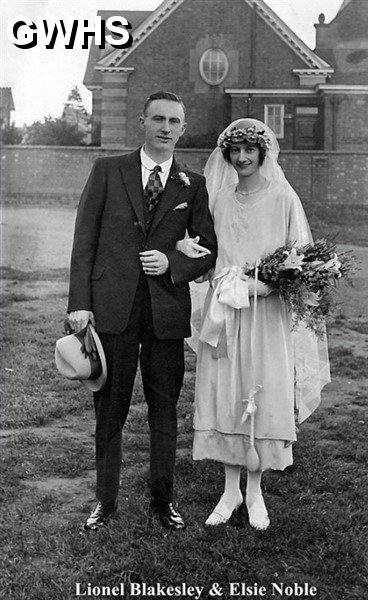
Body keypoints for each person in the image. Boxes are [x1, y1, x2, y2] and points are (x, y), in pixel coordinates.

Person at [67, 91, 217, 531]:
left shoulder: (193, 184)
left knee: (164, 407)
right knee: (109, 408)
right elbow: (84, 242)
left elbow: (208, 249)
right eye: (158, 119)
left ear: (183, 129)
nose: (166, 128)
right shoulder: (108, 170)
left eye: (174, 121)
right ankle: (105, 501)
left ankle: (163, 500)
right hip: (112, 310)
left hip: (165, 313)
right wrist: (79, 303)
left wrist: (174, 261)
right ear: (142, 122)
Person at [177, 118, 330, 530]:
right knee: (227, 389)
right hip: (226, 311)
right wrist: (192, 254)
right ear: (226, 155)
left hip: (266, 315)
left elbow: (301, 257)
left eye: (250, 150)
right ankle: (230, 491)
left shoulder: (282, 197)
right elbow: (207, 253)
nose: (242, 157)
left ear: (263, 153)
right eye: (235, 151)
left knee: (261, 389)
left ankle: (256, 491)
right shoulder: (219, 199)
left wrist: (269, 284)